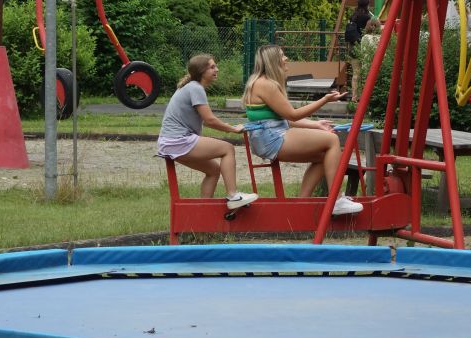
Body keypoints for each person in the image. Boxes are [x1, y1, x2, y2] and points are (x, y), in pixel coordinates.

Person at [244, 44, 364, 216]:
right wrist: (324, 100)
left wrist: (316, 124)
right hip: (272, 138)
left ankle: (302, 204)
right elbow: (292, 115)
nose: (286, 59)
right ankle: (336, 201)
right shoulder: (267, 85)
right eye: (282, 56)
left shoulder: (261, 82)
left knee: (325, 156)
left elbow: (283, 118)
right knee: (331, 141)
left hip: (267, 136)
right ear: (273, 61)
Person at [156, 54, 258, 209]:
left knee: (214, 170)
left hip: (171, 142)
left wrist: (228, 126)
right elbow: (210, 120)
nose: (216, 69)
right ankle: (233, 195)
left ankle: (203, 215)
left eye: (215, 66)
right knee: (227, 149)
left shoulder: (191, 87)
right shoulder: (195, 88)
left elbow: (207, 120)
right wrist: (233, 129)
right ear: (201, 71)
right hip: (178, 141)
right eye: (212, 67)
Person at [345, 0, 374, 100]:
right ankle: (363, 96)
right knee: (365, 72)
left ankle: (354, 96)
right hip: (364, 46)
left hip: (352, 47)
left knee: (355, 73)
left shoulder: (353, 16)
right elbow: (370, 30)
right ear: (367, 5)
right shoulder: (367, 17)